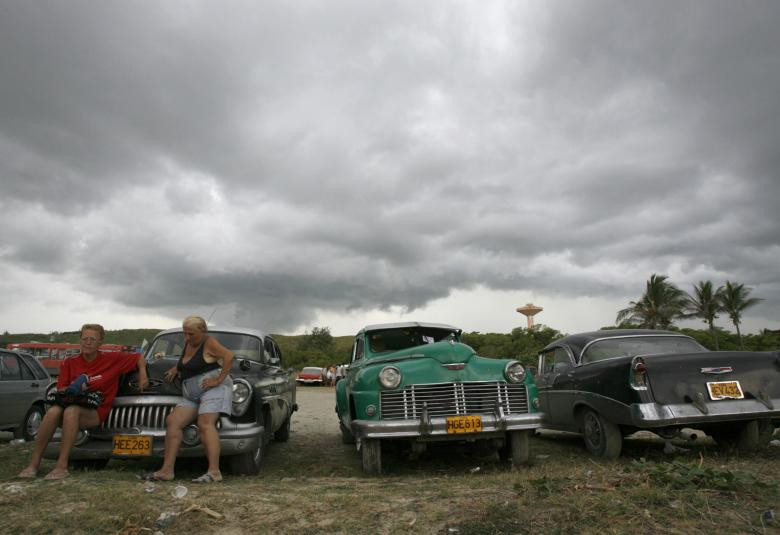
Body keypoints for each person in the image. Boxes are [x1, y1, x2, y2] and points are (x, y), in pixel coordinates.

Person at [17, 324, 148, 480]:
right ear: (80, 340)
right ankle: (33, 464)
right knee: (52, 411)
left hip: (95, 410)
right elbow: (60, 389)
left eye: (93, 339)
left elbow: (139, 357)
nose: (88, 342)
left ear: (100, 342)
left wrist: (143, 376)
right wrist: (75, 387)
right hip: (72, 403)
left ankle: (62, 466)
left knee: (72, 410)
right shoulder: (70, 362)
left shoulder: (112, 359)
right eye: (85, 338)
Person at [144, 315, 233, 483]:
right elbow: (186, 361)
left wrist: (218, 380)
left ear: (203, 331)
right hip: (191, 393)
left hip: (212, 388)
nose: (187, 337)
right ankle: (166, 471)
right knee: (173, 421)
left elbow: (229, 356)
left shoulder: (209, 342)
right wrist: (176, 368)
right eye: (185, 333)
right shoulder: (189, 343)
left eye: (191, 334)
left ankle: (214, 472)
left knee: (205, 423)